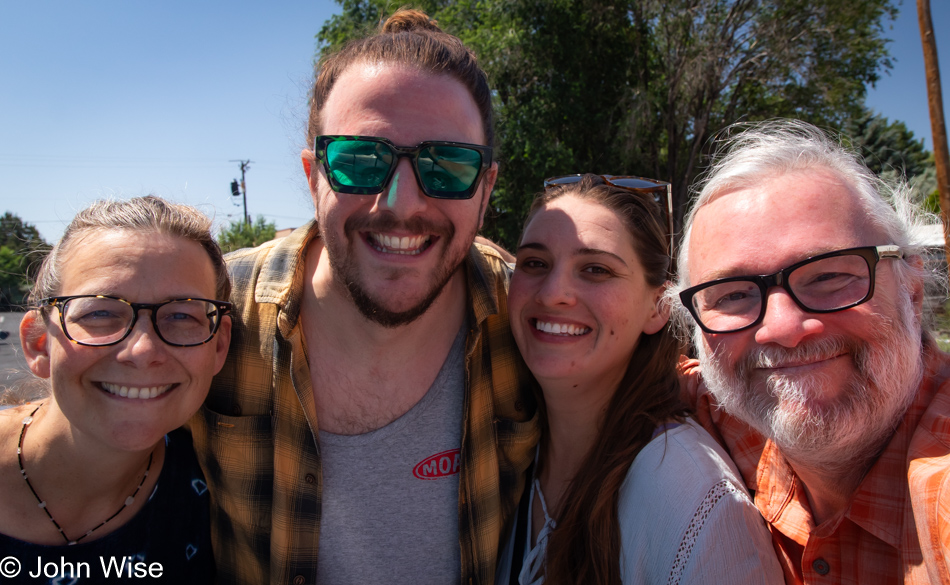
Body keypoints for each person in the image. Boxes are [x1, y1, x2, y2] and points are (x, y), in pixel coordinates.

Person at [188, 9, 538, 585]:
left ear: (486, 187)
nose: (401, 203)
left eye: (447, 166)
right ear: (313, 175)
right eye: (361, 161)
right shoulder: (213, 311)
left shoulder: (528, 313)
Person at [674, 119, 950, 584]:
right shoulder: (723, 413)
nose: (782, 329)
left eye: (828, 276)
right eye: (732, 294)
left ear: (912, 288)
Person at [497, 174, 783, 584]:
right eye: (535, 263)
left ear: (657, 307)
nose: (552, 292)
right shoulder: (510, 452)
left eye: (595, 269)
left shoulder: (694, 502)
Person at [0, 196, 231, 582]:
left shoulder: (219, 488)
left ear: (219, 345)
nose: (142, 351)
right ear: (39, 343)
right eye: (100, 312)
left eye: (181, 315)